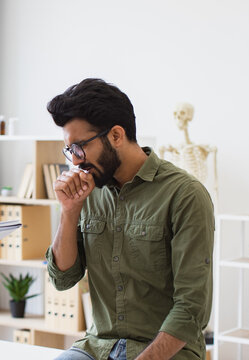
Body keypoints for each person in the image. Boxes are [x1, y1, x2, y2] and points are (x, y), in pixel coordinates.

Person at [45, 78, 214, 360]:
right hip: (97, 347)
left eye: (79, 147)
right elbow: (62, 279)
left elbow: (192, 307)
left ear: (116, 136)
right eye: (69, 150)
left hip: (167, 351)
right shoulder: (88, 192)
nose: (74, 161)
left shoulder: (185, 195)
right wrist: (70, 210)